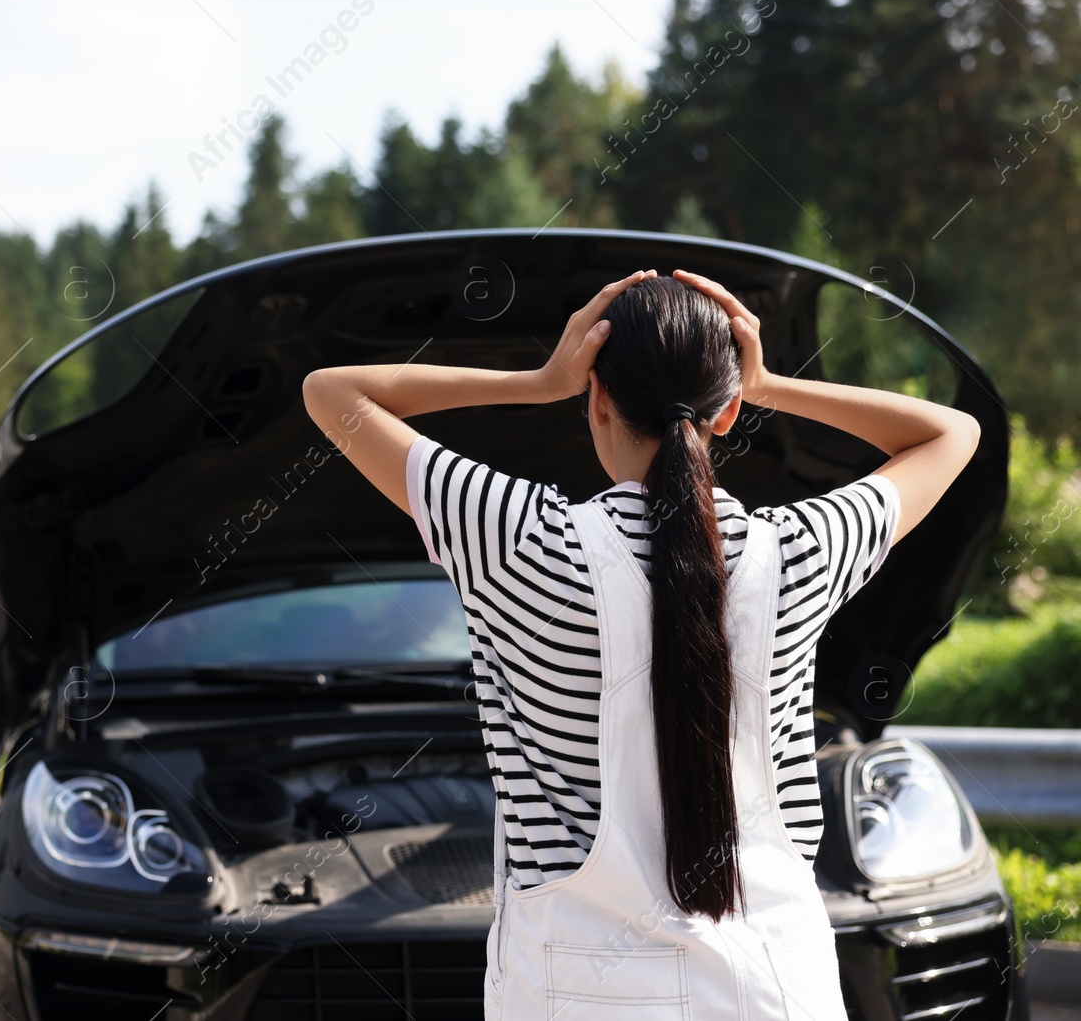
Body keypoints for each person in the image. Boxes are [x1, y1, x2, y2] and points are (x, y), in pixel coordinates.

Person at [301, 269, 980, 1021]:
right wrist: (769, 382)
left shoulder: (519, 537)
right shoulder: (799, 551)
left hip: (572, 994)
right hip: (775, 988)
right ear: (725, 416)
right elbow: (950, 432)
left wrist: (537, 380)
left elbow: (333, 393)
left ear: (595, 399)